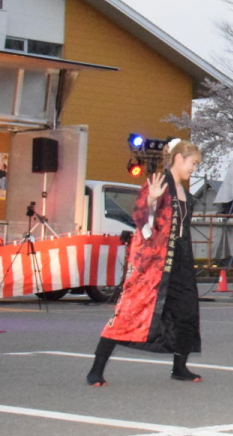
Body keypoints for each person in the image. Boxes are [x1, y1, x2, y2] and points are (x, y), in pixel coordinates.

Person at [86, 140, 204, 386]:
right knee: (130, 312)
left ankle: (179, 367)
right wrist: (152, 200)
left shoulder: (184, 192)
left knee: (186, 311)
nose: (194, 168)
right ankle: (96, 368)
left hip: (180, 258)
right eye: (192, 163)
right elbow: (141, 214)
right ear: (179, 159)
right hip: (155, 262)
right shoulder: (158, 185)